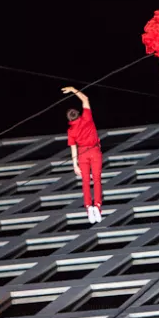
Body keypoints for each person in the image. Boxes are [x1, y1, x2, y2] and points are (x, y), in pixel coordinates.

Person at [62, 86, 103, 224]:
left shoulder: (71, 131)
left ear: (69, 119)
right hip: (94, 151)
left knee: (86, 182)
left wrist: (75, 165)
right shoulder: (87, 117)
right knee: (96, 180)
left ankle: (88, 208)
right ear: (78, 114)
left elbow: (73, 148)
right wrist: (73, 89)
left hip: (82, 154)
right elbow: (85, 98)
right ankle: (97, 205)